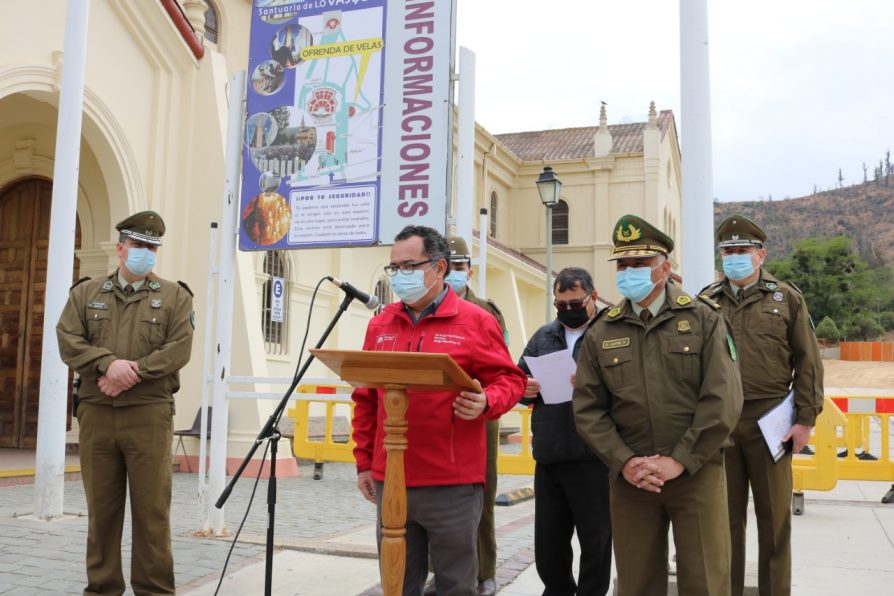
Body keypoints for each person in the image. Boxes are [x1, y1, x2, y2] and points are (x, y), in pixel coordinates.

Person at [572, 214, 743, 596]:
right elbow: (588, 408)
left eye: (639, 263)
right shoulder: (603, 331)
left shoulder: (703, 319)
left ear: (665, 267)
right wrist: (626, 462)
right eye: (623, 264)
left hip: (695, 474)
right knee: (636, 583)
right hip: (632, 480)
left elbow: (723, 398)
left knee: (705, 581)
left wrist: (680, 459)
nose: (628, 271)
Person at [352, 225, 527, 596]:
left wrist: (486, 402)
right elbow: (367, 400)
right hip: (392, 478)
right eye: (394, 267)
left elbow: (509, 380)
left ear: (440, 268)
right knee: (397, 581)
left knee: (455, 584)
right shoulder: (380, 324)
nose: (400, 275)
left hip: (452, 483)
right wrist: (365, 463)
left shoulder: (476, 321)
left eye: (410, 266)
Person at [56, 211, 195, 595]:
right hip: (97, 415)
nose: (146, 252)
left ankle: (154, 591)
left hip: (149, 415)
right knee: (102, 514)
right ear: (120, 248)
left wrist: (132, 372)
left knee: (152, 514)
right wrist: (107, 365)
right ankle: (102, 589)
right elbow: (68, 338)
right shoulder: (86, 293)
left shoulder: (175, 296)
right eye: (139, 245)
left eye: (152, 247)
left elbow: (179, 348)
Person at [701, 214, 824, 596]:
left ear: (760, 255)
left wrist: (805, 420)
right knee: (724, 523)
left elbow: (808, 362)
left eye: (743, 251)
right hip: (721, 423)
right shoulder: (705, 302)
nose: (735, 257)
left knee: (774, 522)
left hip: (771, 421)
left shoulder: (785, 298)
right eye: (729, 251)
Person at [518, 267, 612, 596]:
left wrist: (594, 383)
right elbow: (517, 379)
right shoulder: (544, 336)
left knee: (595, 541)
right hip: (550, 454)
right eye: (561, 305)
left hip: (595, 456)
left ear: (593, 297)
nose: (567, 310)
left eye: (575, 303)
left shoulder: (612, 332)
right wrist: (524, 389)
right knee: (550, 543)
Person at [424, 236, 507, 596]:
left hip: (477, 417)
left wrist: (485, 399)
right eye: (450, 267)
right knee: (432, 502)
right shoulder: (423, 307)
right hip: (435, 418)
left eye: (461, 268)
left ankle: (484, 570)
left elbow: (500, 371)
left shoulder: (485, 311)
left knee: (480, 497)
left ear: (468, 271)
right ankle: (438, 571)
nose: (455, 274)